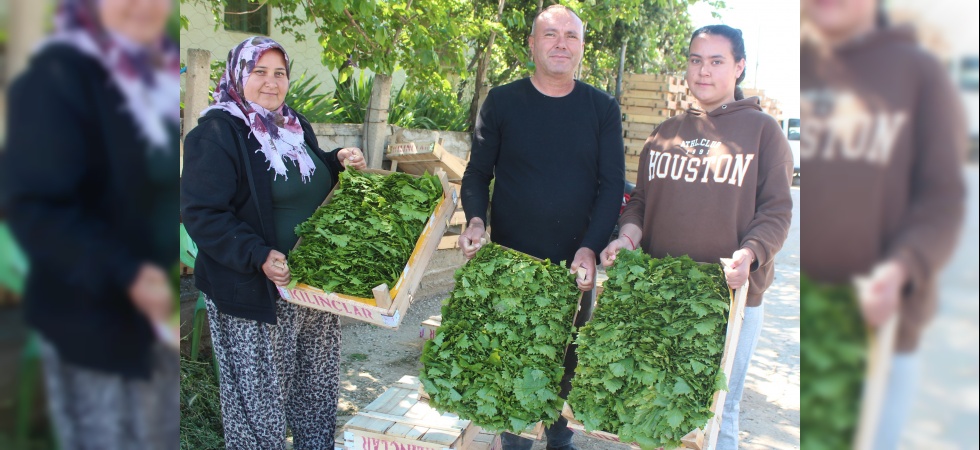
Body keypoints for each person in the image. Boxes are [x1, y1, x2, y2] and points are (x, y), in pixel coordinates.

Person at [600, 25, 794, 450]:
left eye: (717, 61)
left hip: (728, 299)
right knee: (652, 408)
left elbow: (777, 211)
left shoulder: (764, 133)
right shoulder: (663, 134)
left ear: (739, 67)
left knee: (716, 415)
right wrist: (627, 239)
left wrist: (750, 253)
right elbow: (640, 204)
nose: (703, 71)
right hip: (659, 293)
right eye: (695, 60)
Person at [1, 0, 180, 448]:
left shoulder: (153, 77)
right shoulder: (55, 80)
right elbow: (36, 208)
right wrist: (126, 274)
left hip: (155, 320)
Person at [180, 36, 366, 449]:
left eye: (279, 72)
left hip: (310, 289)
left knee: (315, 396)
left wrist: (336, 161)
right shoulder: (216, 133)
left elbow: (306, 181)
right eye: (259, 72)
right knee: (259, 413)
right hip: (253, 292)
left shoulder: (293, 125)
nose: (271, 82)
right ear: (237, 75)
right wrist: (258, 254)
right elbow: (202, 214)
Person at [800, 0, 966, 447]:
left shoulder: (919, 73)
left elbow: (943, 197)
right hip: (809, 327)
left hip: (882, 330)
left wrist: (903, 266)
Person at [459, 5, 625, 449]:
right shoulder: (503, 101)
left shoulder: (602, 109)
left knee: (566, 363)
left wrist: (591, 246)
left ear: (582, 48)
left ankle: (560, 440)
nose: (561, 43)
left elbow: (611, 188)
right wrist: (477, 219)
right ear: (531, 43)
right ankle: (515, 441)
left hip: (575, 264)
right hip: (513, 264)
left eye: (571, 36)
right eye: (550, 34)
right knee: (515, 364)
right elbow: (477, 173)